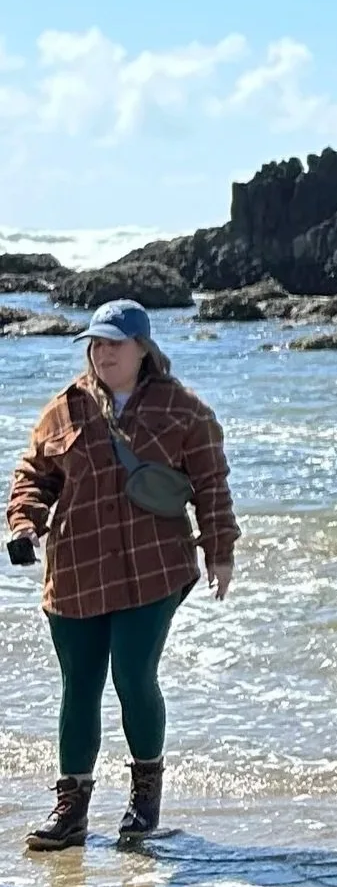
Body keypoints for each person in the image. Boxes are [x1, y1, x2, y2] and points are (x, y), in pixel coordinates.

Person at [6, 299, 237, 852]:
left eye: (114, 342)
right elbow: (34, 472)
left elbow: (211, 484)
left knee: (133, 675)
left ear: (143, 349)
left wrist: (219, 551)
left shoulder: (185, 411)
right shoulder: (64, 408)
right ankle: (72, 808)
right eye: (96, 342)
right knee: (79, 686)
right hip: (78, 569)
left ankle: (145, 793)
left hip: (154, 569)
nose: (103, 352)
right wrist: (23, 523)